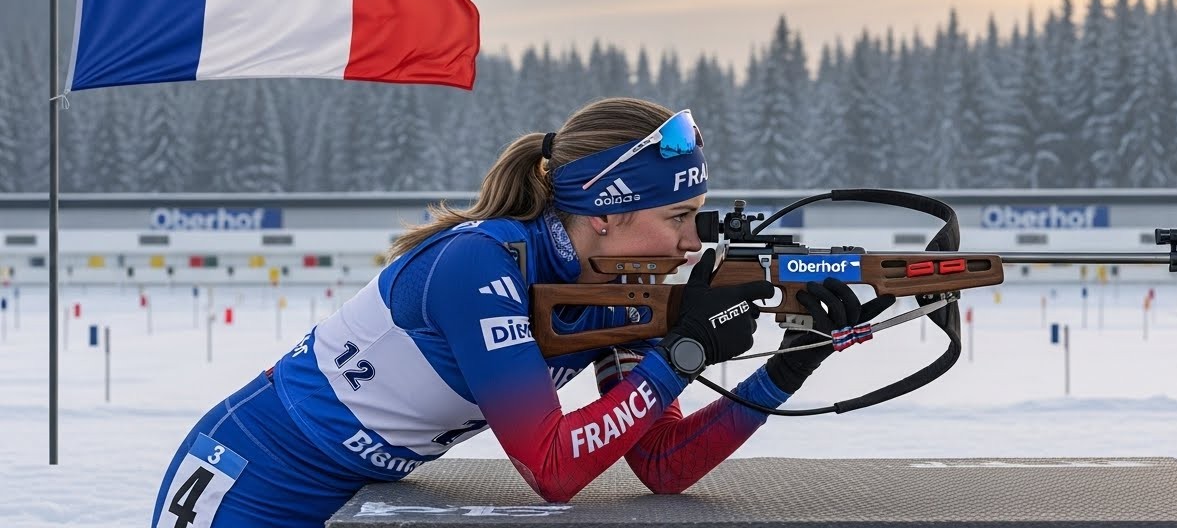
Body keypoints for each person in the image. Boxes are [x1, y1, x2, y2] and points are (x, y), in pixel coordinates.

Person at [150, 97, 891, 528]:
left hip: (360, 490)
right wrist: (682, 355)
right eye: (679, 216)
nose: (693, 241)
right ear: (605, 213)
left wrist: (785, 368)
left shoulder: (616, 289)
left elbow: (660, 465)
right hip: (257, 475)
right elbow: (553, 469)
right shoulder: (480, 263)